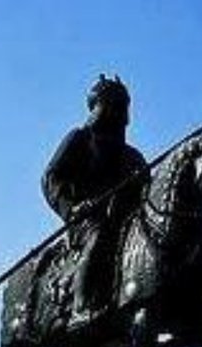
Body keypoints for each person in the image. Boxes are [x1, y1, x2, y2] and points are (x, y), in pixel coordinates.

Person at [43, 74, 148, 329]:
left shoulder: (132, 156)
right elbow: (51, 178)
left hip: (126, 220)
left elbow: (147, 191)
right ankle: (82, 306)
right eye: (114, 103)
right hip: (86, 220)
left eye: (123, 104)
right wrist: (71, 209)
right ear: (100, 105)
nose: (120, 111)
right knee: (99, 234)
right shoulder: (80, 139)